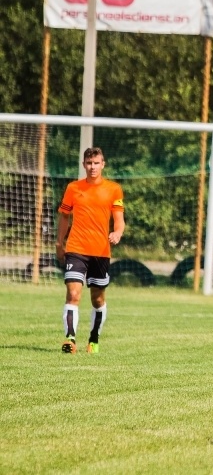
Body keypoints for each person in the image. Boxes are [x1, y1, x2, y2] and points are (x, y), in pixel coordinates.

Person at [56, 147, 125, 354]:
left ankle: (94, 338)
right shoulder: (73, 188)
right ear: (84, 165)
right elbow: (64, 217)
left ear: (103, 164)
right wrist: (60, 243)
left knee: (98, 299)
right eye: (89, 163)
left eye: (96, 163)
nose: (92, 167)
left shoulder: (113, 189)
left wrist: (117, 233)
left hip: (101, 251)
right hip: (76, 248)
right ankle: (70, 339)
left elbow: (119, 221)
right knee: (73, 293)